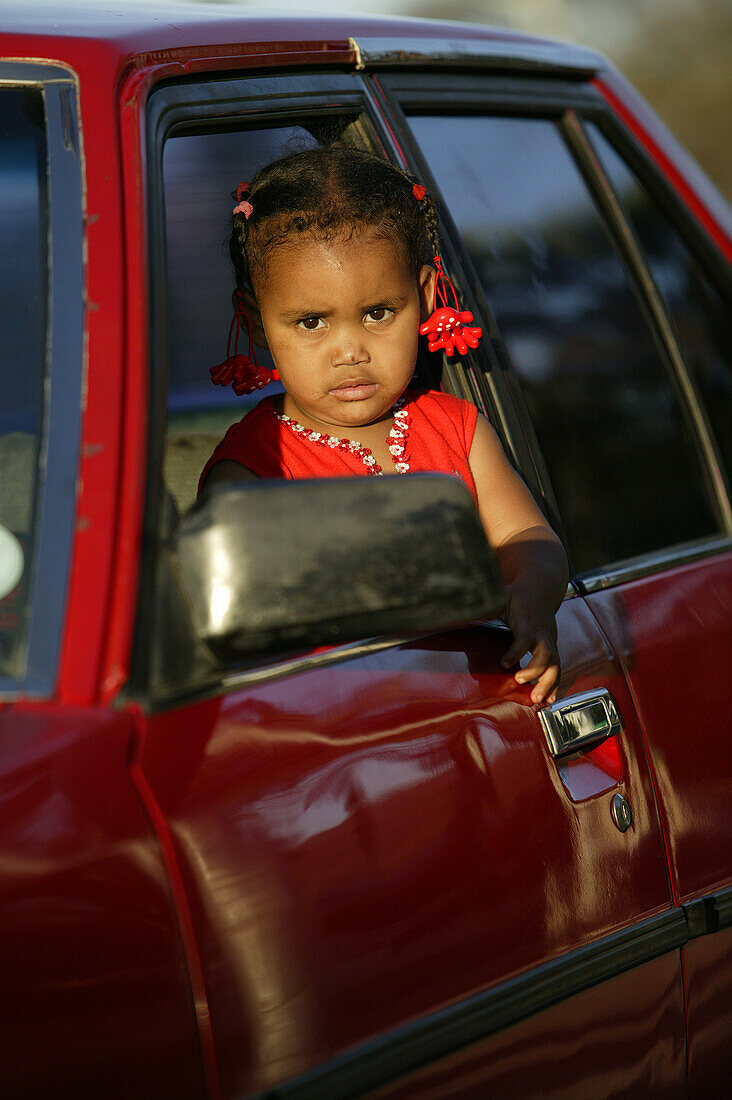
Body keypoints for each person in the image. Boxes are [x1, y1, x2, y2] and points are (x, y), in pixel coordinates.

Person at [199, 147, 568, 703]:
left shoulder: (457, 428)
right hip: (342, 742)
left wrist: (532, 595)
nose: (350, 351)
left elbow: (525, 536)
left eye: (377, 313)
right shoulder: (253, 470)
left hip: (483, 723)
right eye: (311, 322)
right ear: (255, 321)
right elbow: (244, 634)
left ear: (422, 298)